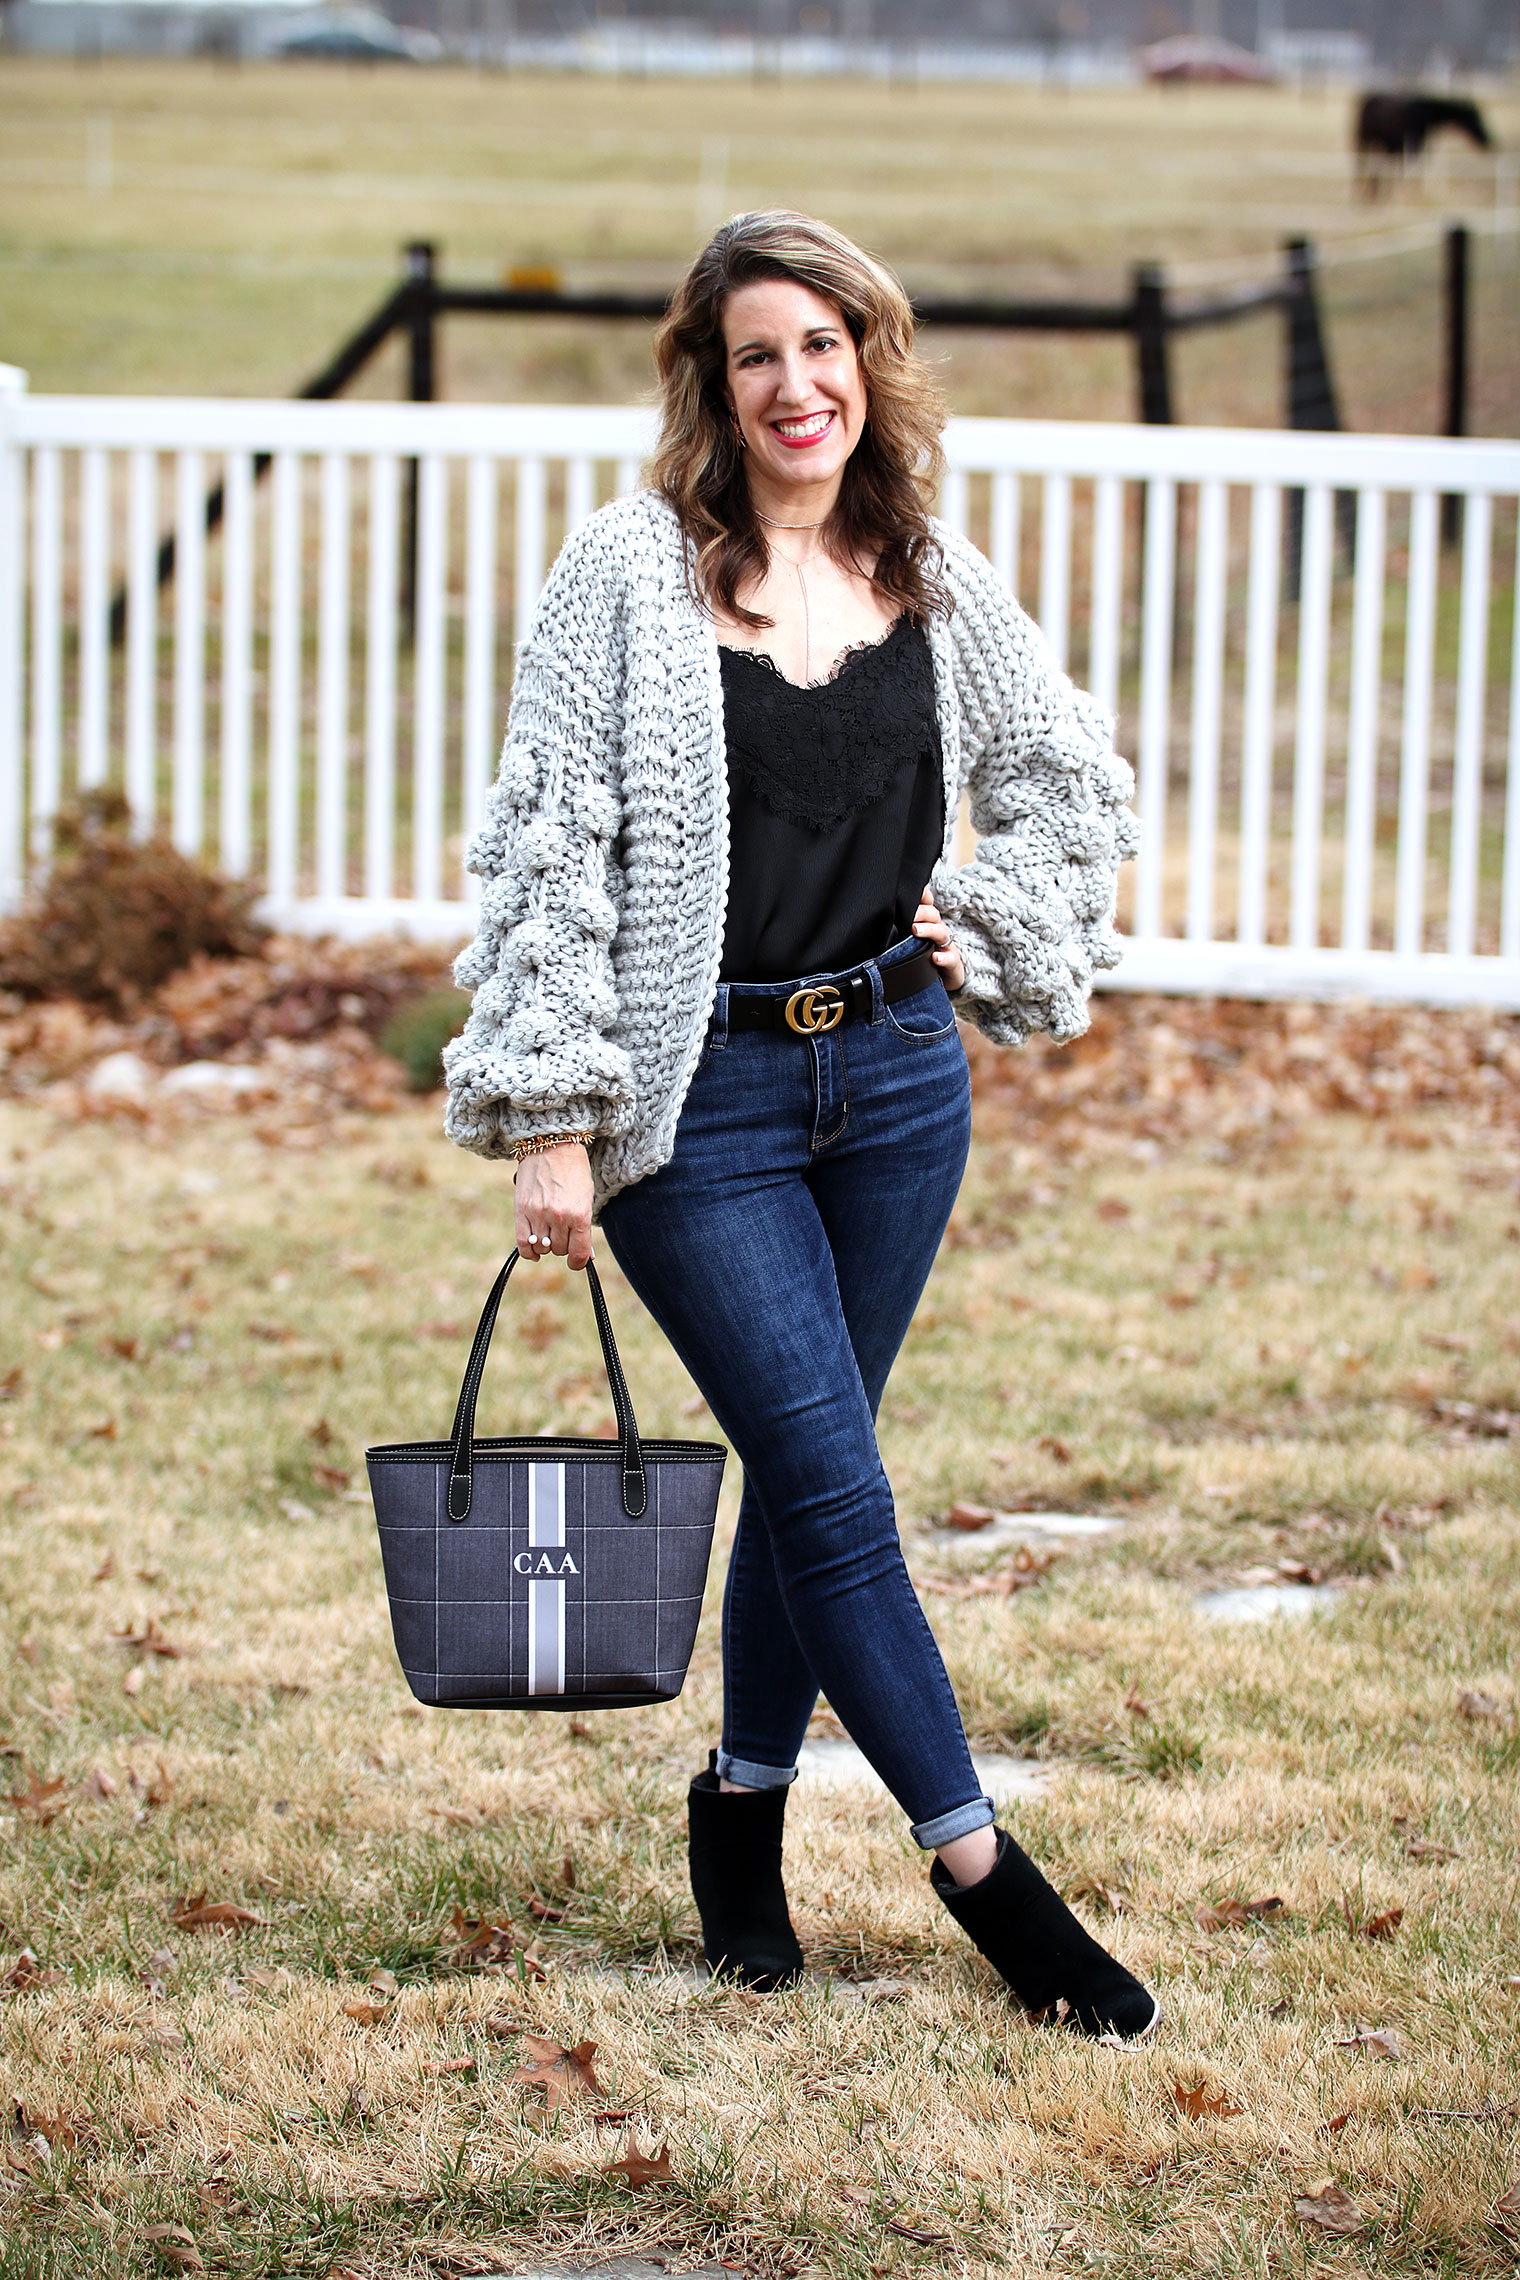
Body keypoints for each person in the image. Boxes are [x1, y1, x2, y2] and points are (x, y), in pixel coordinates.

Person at [444, 210, 1157, 2041]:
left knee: (808, 1456)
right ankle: (987, 1874)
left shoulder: (928, 566)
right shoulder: (629, 574)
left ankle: (741, 1809)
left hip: (903, 1082)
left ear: (869, 363)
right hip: (706, 1106)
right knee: (838, 1487)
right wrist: (551, 1119)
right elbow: (548, 849)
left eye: (824, 346)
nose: (795, 385)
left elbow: (1070, 786)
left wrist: (997, 921)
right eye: (756, 352)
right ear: (712, 380)